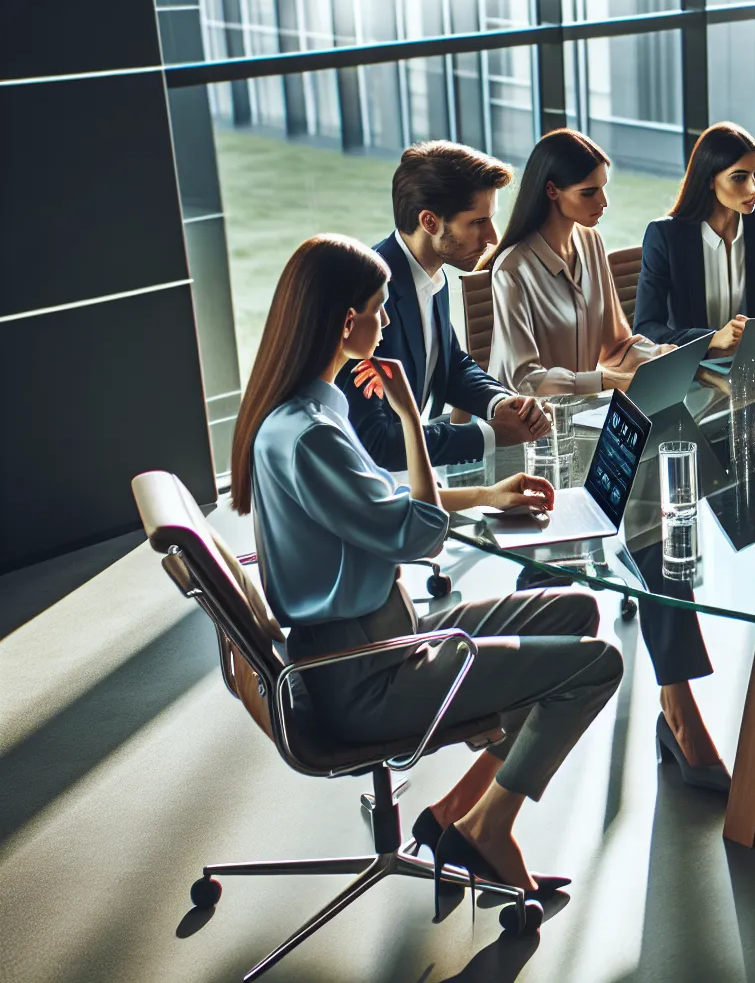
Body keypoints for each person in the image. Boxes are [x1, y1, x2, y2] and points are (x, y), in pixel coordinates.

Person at [231, 234, 624, 898]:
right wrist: (411, 419)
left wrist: (487, 495)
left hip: (381, 639)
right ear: (345, 323)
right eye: (378, 310)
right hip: (367, 676)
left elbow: (381, 505)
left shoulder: (302, 416)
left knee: (575, 609)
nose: (386, 323)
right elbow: (416, 536)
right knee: (599, 664)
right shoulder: (314, 437)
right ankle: (489, 828)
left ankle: (457, 815)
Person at [336, 141, 550, 470]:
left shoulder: (433, 276)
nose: (493, 237)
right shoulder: (370, 301)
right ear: (430, 222)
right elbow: (375, 442)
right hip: (370, 483)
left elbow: (449, 364)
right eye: (478, 222)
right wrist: (491, 435)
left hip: (412, 473)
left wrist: (504, 403)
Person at [484, 128, 661, 396]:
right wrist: (606, 381)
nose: (603, 202)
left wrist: (665, 355)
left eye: (603, 188)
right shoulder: (512, 270)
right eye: (588, 193)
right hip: (532, 417)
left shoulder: (592, 243)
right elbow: (525, 380)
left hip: (586, 410)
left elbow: (617, 345)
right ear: (552, 190)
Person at [632, 122, 755, 353]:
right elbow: (646, 330)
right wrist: (712, 339)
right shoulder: (665, 236)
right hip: (692, 366)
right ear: (710, 180)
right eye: (739, 178)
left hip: (754, 363)